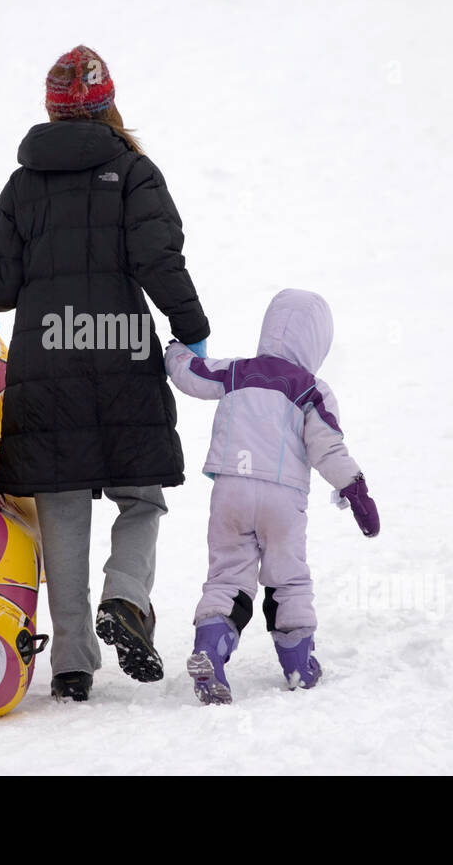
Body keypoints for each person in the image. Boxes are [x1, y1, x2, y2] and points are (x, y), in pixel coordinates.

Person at [0, 45, 210, 702]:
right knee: (141, 494)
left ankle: (73, 662)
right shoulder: (133, 172)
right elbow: (161, 260)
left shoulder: (23, 185)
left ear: (51, 109)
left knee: (62, 502)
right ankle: (126, 598)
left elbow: (1, 277)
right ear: (107, 105)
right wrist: (192, 328)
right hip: (123, 354)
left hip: (47, 361)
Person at [163, 288, 380, 704]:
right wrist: (355, 488)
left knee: (227, 576)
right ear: (317, 342)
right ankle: (298, 663)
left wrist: (173, 352)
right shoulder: (312, 389)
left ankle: (211, 649)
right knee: (289, 578)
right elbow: (328, 448)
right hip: (283, 497)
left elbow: (193, 374)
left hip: (231, 490)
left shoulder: (237, 371)